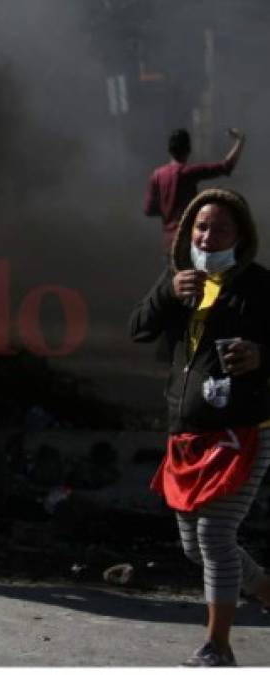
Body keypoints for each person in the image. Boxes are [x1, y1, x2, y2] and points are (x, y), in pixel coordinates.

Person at [130, 188, 270, 667]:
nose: (210, 237)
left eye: (222, 229)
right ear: (189, 232)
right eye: (202, 227)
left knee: (213, 537)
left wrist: (261, 356)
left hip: (241, 433)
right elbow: (138, 327)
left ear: (241, 236)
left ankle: (219, 647)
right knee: (195, 547)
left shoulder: (257, 286)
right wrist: (169, 294)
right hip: (186, 438)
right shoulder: (178, 281)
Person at [144, 128, 246, 254]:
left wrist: (168, 206)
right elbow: (226, 167)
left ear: (170, 150)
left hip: (168, 242)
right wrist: (240, 141)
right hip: (186, 239)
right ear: (188, 150)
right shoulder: (188, 172)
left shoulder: (157, 175)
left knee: (174, 272)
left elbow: (149, 210)